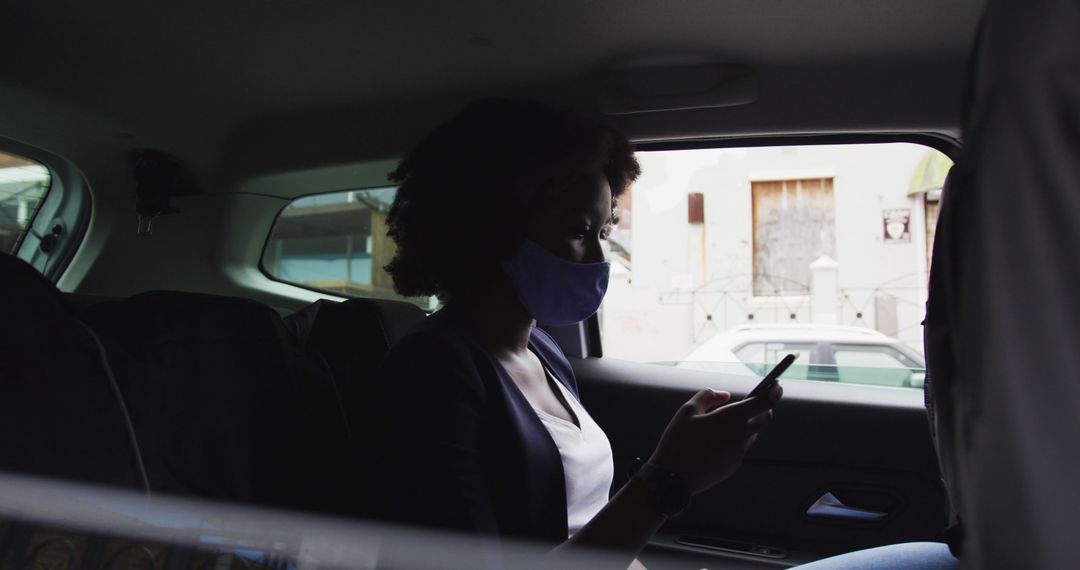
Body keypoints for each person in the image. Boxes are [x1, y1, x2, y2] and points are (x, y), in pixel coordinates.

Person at [363, 98, 953, 569]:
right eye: (578, 229)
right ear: (488, 230)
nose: (599, 256)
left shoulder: (541, 351)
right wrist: (668, 479)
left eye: (606, 228)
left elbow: (592, 527)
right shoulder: (433, 372)